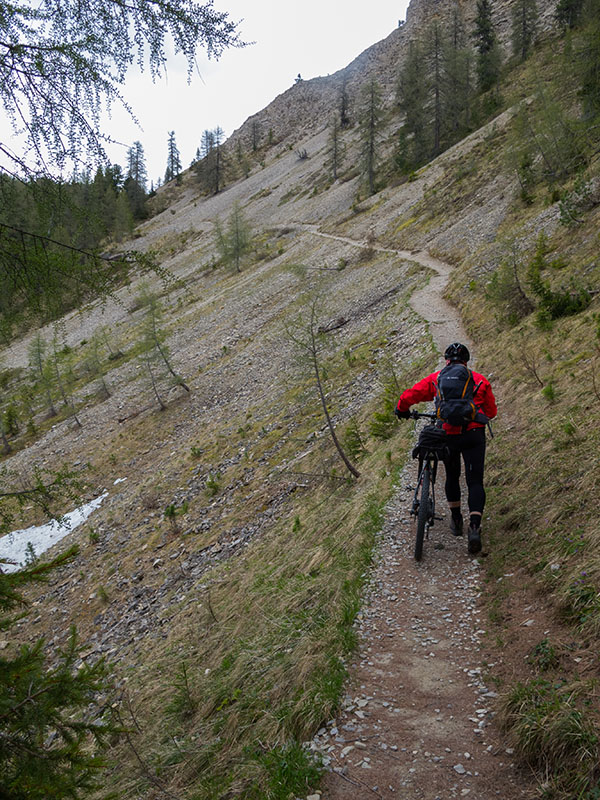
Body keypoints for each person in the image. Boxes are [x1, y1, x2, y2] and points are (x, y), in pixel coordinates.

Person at [395, 342, 497, 554]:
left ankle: (457, 519)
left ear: (447, 360)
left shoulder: (437, 378)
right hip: (474, 434)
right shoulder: (479, 380)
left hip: (448, 433)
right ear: (466, 362)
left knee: (451, 475)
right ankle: (475, 527)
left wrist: (401, 409)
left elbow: (410, 395)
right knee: (475, 480)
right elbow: (492, 412)